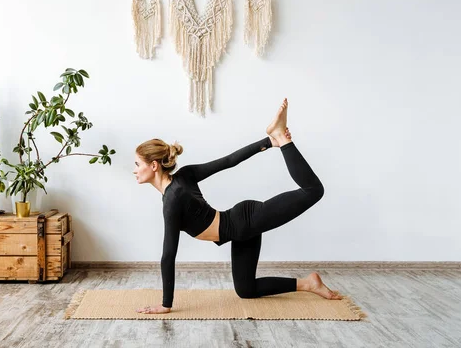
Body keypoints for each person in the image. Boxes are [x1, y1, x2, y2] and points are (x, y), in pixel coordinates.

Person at [134, 98, 341, 314]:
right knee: (246, 289)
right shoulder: (182, 179)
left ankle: (282, 137)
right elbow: (229, 160)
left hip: (246, 220)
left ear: (154, 165)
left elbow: (168, 256)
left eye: (138, 164)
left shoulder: (172, 200)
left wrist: (166, 304)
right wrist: (267, 143)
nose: (135, 170)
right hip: (240, 230)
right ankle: (309, 283)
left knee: (313, 191)